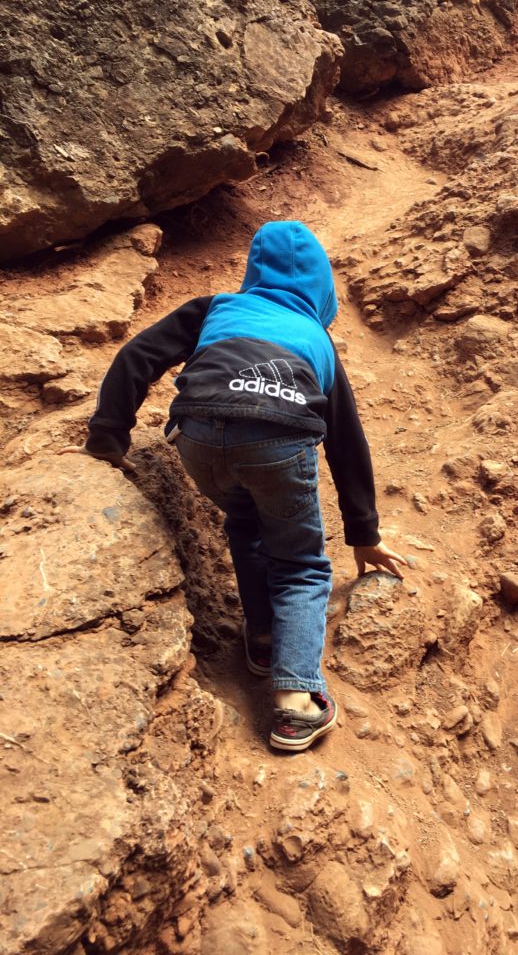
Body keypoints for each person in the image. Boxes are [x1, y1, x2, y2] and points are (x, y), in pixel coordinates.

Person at [62, 220, 407, 752]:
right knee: (300, 564)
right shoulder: (317, 339)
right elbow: (346, 441)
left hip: (199, 432)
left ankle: (264, 641)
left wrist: (108, 436)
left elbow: (138, 356)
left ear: (253, 272)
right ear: (322, 288)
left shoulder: (218, 308)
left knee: (245, 525)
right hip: (278, 438)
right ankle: (295, 701)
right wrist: (364, 531)